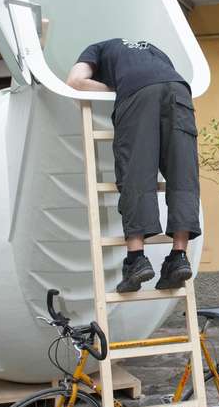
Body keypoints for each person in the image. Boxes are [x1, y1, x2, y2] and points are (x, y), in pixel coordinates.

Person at [66, 39, 200, 294]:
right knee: (183, 174)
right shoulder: (153, 48)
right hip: (179, 89)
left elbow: (75, 81)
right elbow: (162, 80)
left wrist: (115, 87)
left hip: (138, 93)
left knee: (136, 174)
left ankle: (136, 259)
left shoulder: (97, 48)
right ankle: (178, 258)